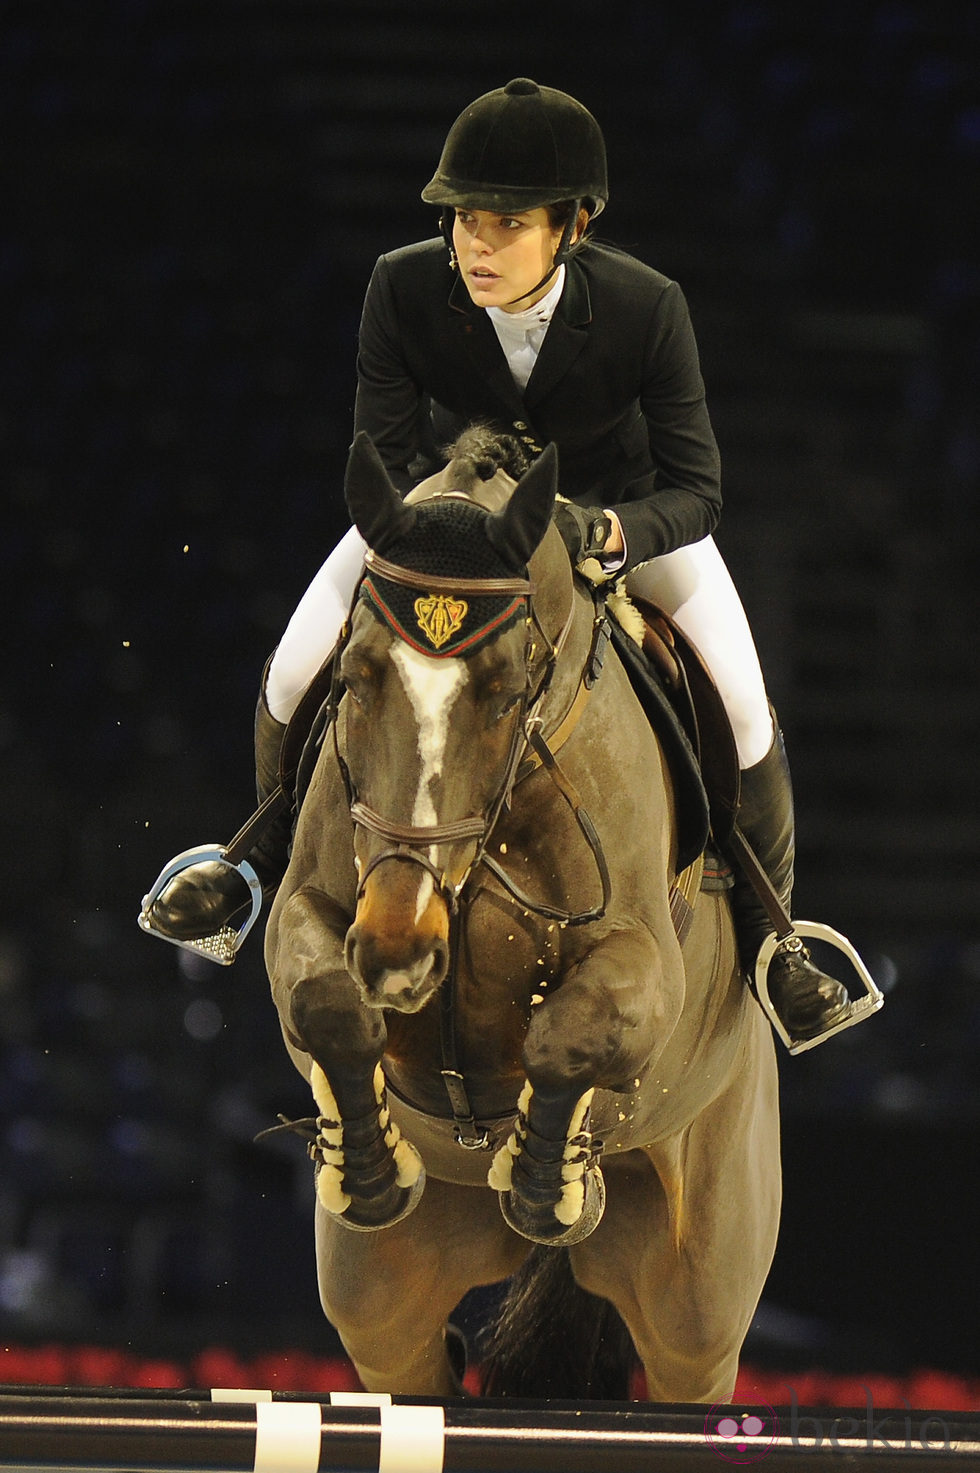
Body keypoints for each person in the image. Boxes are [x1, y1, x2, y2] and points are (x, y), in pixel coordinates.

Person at [143, 77, 863, 1049]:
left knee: (737, 705)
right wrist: (452, 533)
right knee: (290, 669)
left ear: (573, 224)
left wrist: (610, 535)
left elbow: (697, 489)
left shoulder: (645, 307)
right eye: (460, 220)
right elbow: (388, 452)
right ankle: (254, 863)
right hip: (445, 531)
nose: (471, 244)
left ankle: (774, 939)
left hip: (616, 526)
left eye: (502, 223)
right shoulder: (402, 285)